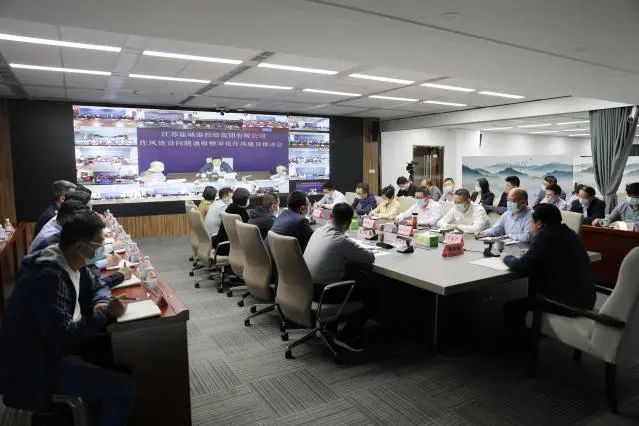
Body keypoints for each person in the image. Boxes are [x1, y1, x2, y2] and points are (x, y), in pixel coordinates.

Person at [0, 212, 135, 425]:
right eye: (98, 244)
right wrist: (103, 313)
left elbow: (96, 287)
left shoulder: (67, 261)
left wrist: (101, 304)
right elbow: (63, 337)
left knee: (119, 361)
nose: (102, 249)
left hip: (50, 352)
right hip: (35, 367)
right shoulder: (49, 278)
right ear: (81, 246)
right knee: (123, 388)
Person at [501, 204, 596, 335]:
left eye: (531, 222)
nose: (530, 225)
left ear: (539, 223)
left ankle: (522, 343)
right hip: (586, 298)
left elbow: (521, 266)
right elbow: (551, 254)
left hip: (567, 304)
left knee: (511, 308)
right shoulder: (569, 233)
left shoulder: (545, 237)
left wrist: (506, 257)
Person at [303, 203, 374, 352]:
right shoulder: (340, 240)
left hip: (305, 287)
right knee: (369, 292)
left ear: (331, 217)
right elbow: (369, 257)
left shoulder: (318, 231)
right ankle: (347, 336)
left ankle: (331, 326)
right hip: (323, 293)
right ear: (347, 224)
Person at [215, 187, 250, 256]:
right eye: (248, 198)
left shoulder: (231, 206)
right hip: (229, 247)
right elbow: (247, 229)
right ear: (245, 200)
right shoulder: (241, 213)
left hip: (221, 244)